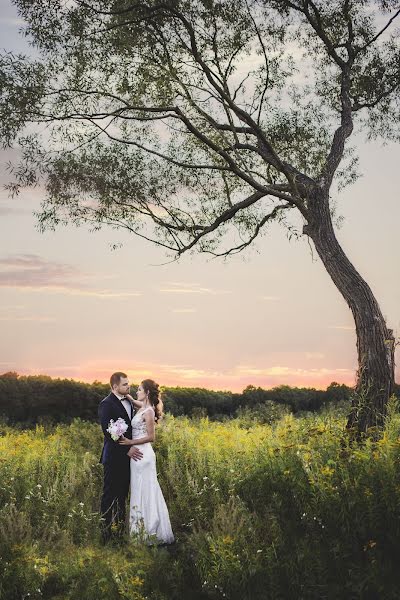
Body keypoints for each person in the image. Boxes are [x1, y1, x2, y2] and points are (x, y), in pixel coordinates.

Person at [119, 379, 174, 545]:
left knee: (147, 490)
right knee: (138, 489)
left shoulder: (148, 411)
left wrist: (129, 443)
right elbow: (134, 400)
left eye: (139, 389)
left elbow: (151, 437)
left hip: (143, 455)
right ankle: (140, 531)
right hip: (137, 455)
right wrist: (125, 394)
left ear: (147, 393)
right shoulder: (141, 407)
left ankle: (150, 531)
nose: (137, 391)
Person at [98, 372, 143, 543]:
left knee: (123, 495)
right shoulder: (106, 404)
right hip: (114, 458)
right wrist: (128, 449)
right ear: (115, 386)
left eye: (128, 384)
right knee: (110, 495)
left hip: (128, 459)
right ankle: (106, 535)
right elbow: (109, 432)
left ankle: (120, 532)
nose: (128, 386)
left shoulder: (130, 402)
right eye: (125, 384)